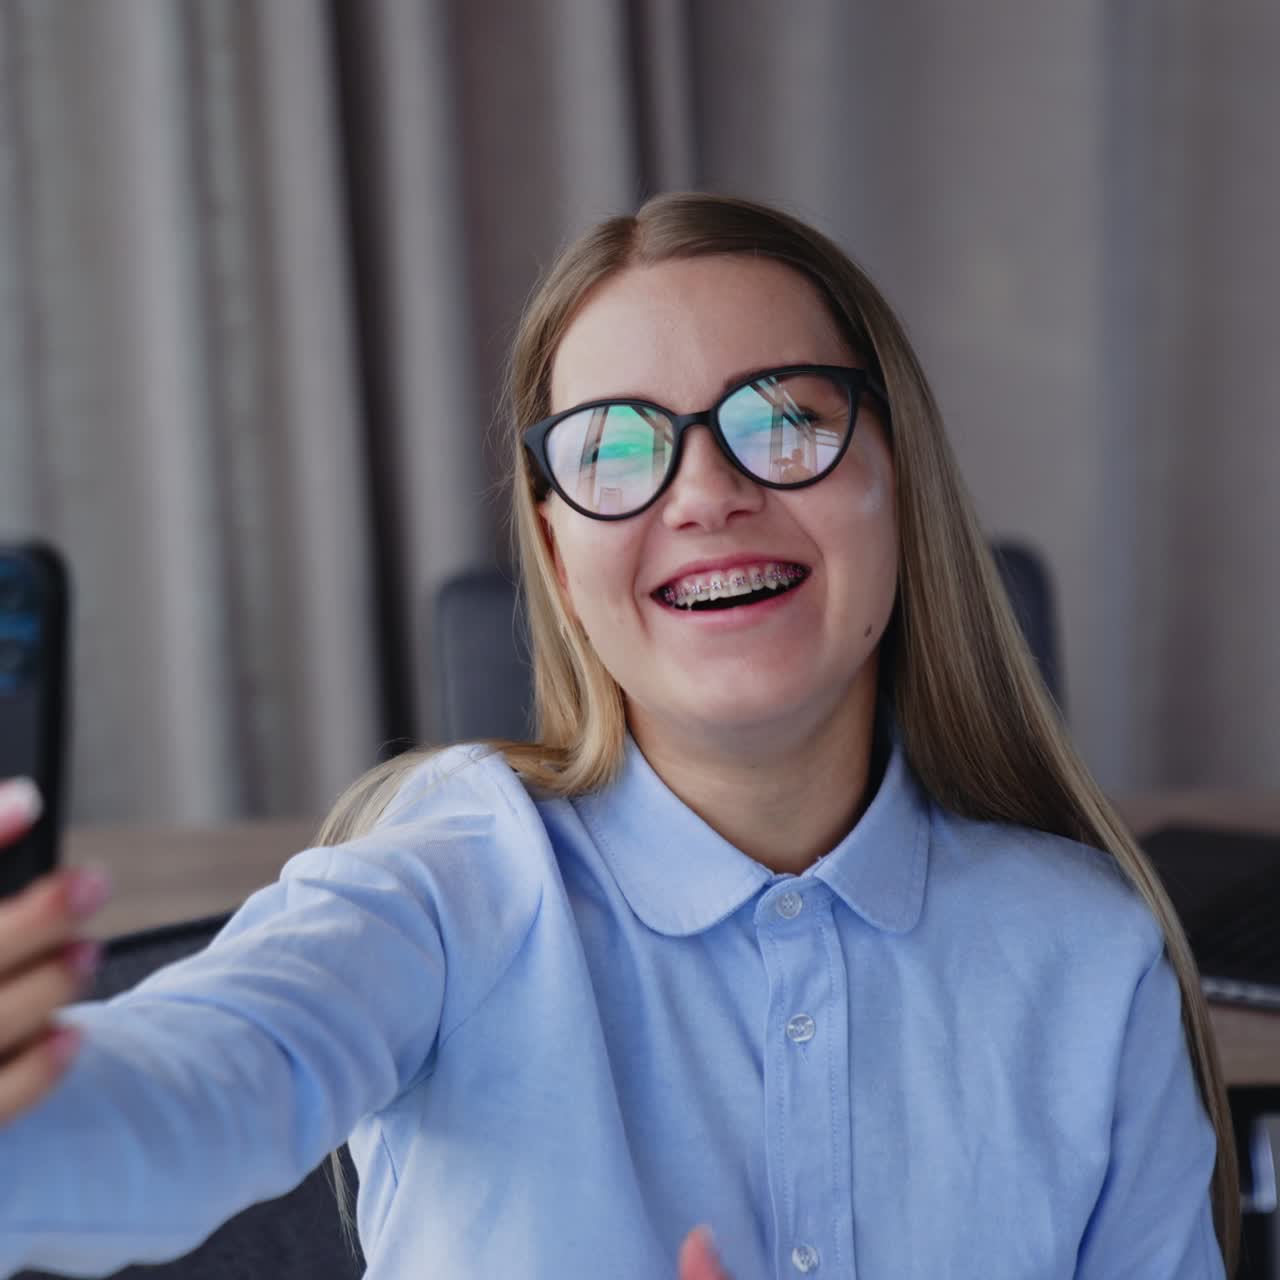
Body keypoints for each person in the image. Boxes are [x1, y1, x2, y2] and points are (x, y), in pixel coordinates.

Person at [0, 192, 1238, 1278]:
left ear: (898, 479)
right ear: (553, 550)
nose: (704, 492)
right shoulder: (450, 883)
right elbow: (198, 1079)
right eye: (615, 448)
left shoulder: (1089, 957)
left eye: (785, 420)